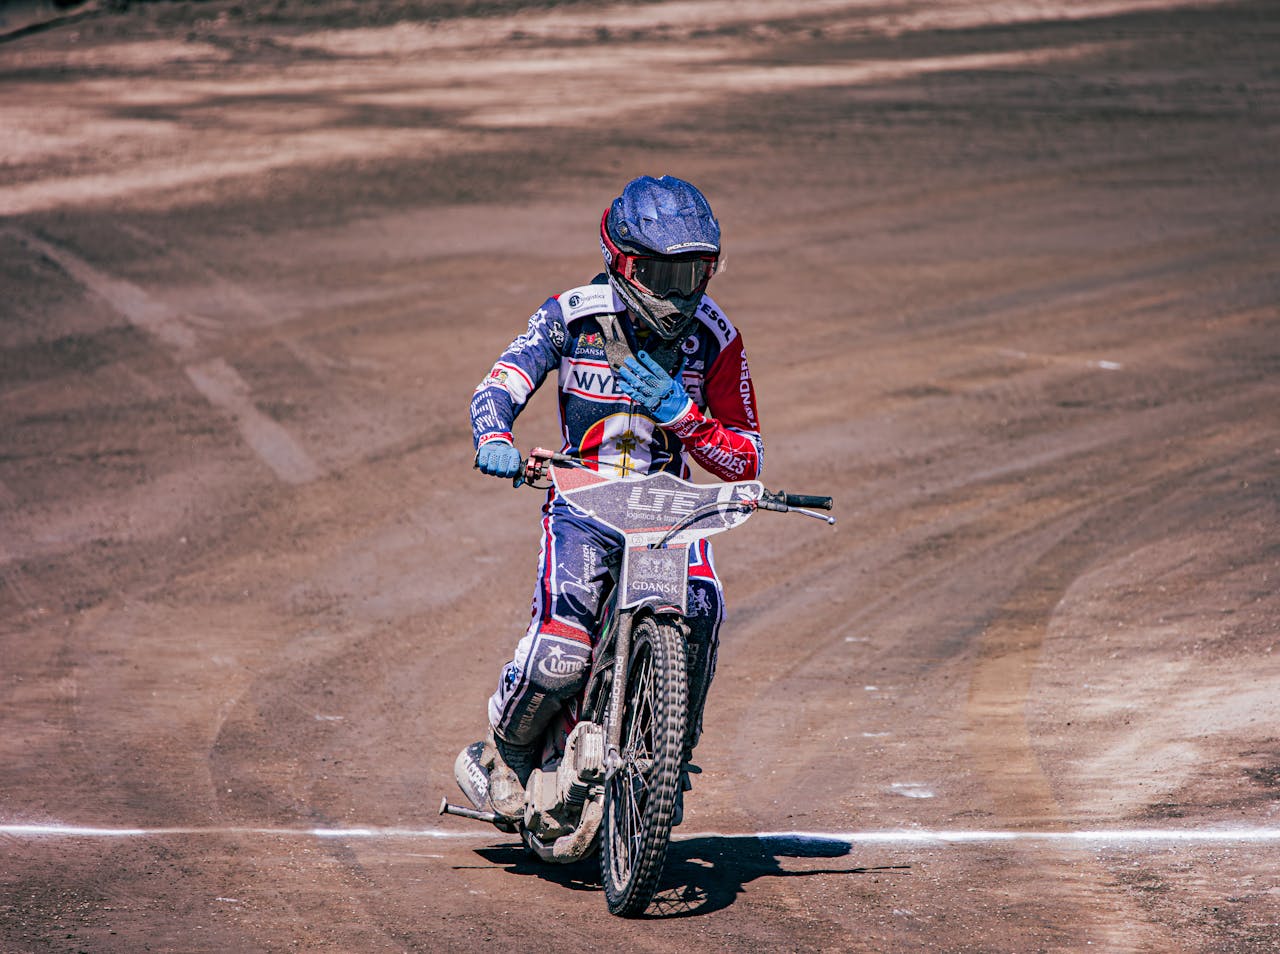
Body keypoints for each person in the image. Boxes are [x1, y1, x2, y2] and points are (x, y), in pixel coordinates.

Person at [457, 175, 763, 821]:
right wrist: (495, 435)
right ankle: (502, 750)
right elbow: (497, 386)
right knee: (560, 652)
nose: (681, 296)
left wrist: (684, 414)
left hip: (669, 511)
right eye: (663, 274)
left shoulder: (716, 337)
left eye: (695, 274)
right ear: (623, 264)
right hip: (582, 502)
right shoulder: (568, 314)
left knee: (705, 604)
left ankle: (670, 756)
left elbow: (746, 457)